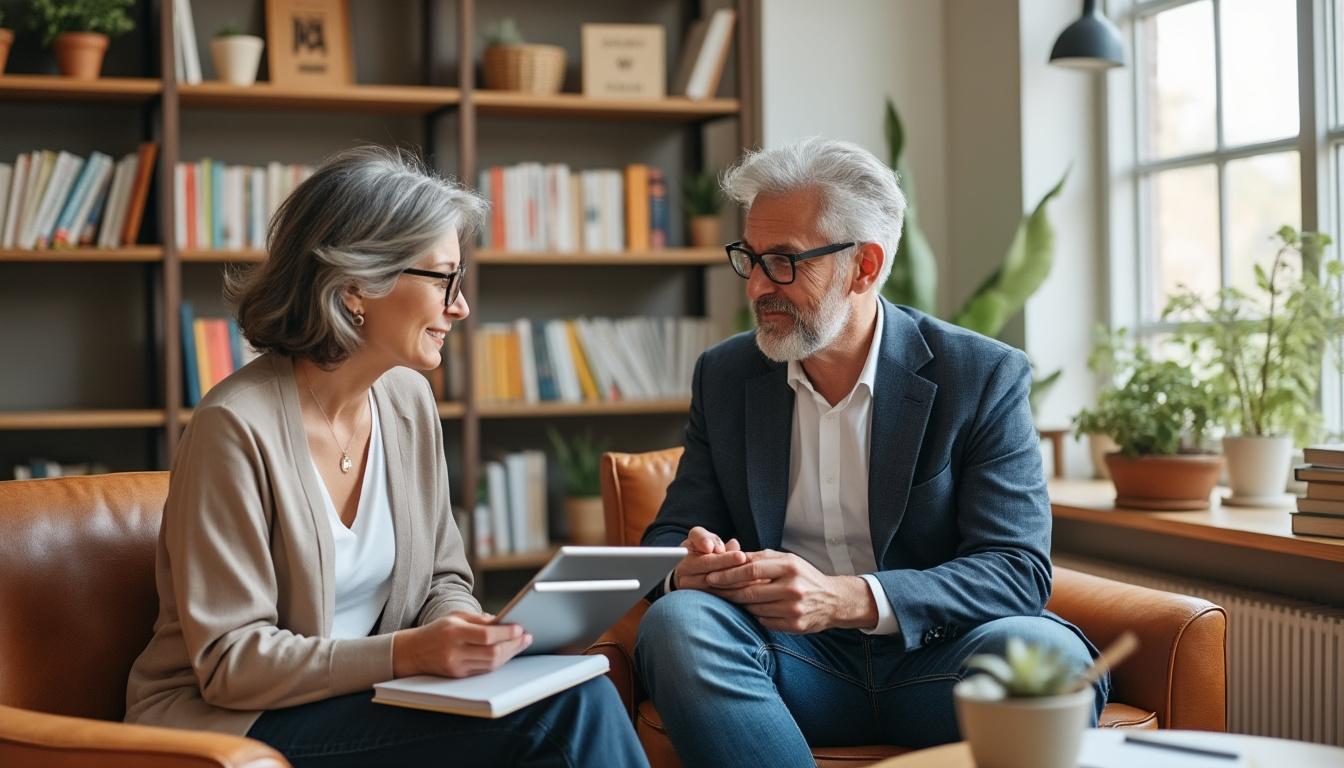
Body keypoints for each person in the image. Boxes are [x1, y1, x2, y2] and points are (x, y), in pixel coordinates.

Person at [124, 146, 648, 768]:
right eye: (444, 279)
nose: (461, 306)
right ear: (356, 289)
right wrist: (410, 654)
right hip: (231, 721)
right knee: (565, 715)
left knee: (578, 685)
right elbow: (230, 663)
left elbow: (443, 581)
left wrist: (470, 639)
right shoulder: (233, 427)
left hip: (361, 698)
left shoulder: (407, 400)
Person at [634, 137, 1107, 768]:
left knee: (1050, 659)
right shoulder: (725, 376)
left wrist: (848, 598)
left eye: (783, 262)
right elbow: (666, 536)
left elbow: (1016, 568)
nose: (755, 288)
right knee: (679, 623)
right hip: (788, 665)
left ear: (865, 266)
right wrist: (687, 566)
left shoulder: (981, 376)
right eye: (749, 258)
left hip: (939, 662)